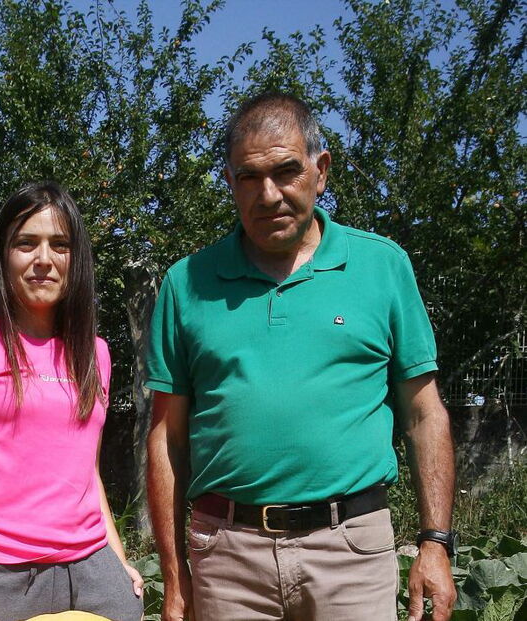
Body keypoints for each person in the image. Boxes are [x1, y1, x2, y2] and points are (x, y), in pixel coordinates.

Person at [145, 93, 457, 621]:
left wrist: (436, 543)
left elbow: (426, 415)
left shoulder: (381, 267)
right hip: (227, 559)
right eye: (248, 177)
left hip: (351, 555)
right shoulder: (186, 284)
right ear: (230, 182)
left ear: (321, 170)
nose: (269, 195)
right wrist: (175, 579)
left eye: (287, 171)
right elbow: (167, 438)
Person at [0, 181, 144, 621]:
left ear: (75, 259)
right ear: (4, 254)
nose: (44, 259)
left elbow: (86, 472)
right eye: (27, 243)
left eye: (59, 245)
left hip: (91, 572)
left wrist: (117, 558)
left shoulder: (95, 352)